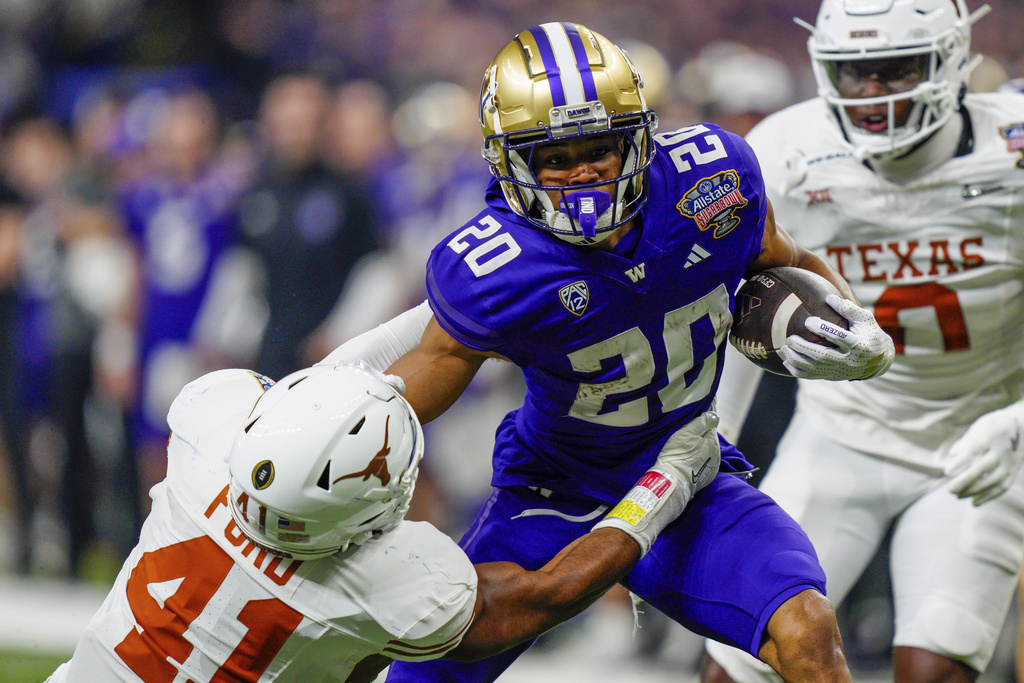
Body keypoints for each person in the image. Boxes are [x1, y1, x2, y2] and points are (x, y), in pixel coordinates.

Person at [323, 22, 896, 683]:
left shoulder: (712, 181)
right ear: (509, 162)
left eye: (599, 147)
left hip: (691, 473)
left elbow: (791, 261)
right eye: (554, 158)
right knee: (421, 672)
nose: (583, 172)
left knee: (807, 627)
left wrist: (854, 324)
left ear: (641, 137)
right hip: (555, 490)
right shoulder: (498, 264)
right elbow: (409, 395)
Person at [702, 1, 1024, 682]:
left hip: (976, 447)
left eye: (893, 69)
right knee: (733, 667)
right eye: (855, 73)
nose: (873, 93)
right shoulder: (786, 148)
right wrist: (712, 443)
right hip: (837, 438)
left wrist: (1019, 423)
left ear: (950, 62)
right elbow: (721, 301)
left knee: (934, 669)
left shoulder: (1013, 150)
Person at [46, 361, 703, 682]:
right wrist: (666, 482)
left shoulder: (205, 437)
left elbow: (312, 397)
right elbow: (547, 594)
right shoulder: (377, 579)